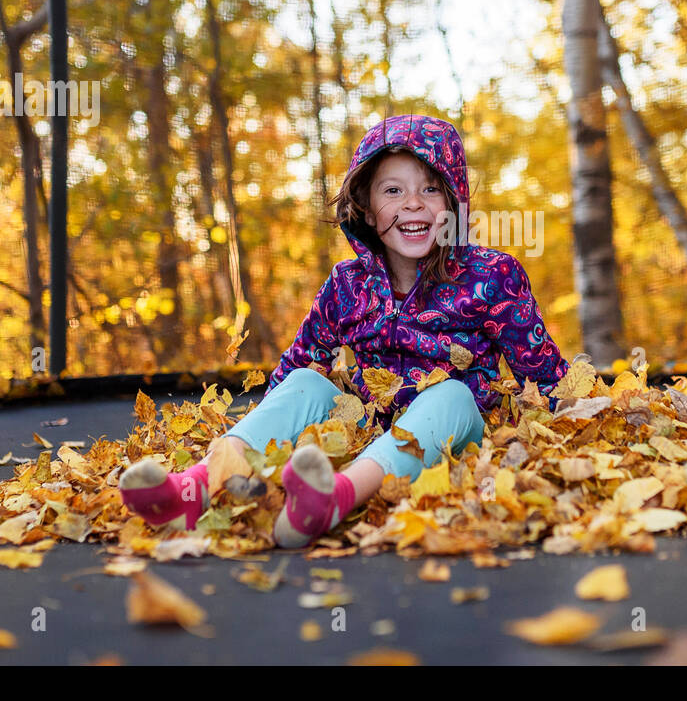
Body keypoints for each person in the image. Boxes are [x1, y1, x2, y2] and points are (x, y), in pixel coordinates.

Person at [119, 114, 571, 548]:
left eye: (430, 189)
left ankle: (337, 497)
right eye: (393, 190)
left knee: (452, 395)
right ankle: (199, 486)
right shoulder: (346, 284)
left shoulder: (491, 276)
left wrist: (578, 412)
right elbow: (296, 364)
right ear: (369, 212)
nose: (413, 203)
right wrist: (274, 423)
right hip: (369, 427)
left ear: (454, 206)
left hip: (454, 432)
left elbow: (545, 372)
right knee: (305, 382)